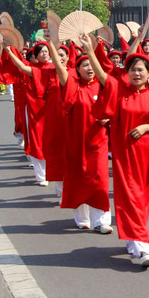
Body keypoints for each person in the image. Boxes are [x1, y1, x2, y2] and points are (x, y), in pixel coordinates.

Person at [88, 35, 149, 268]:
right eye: (132, 70)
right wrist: (90, 51)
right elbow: (104, 77)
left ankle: (135, 239)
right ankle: (145, 246)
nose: (136, 74)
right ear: (127, 73)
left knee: (145, 202)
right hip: (126, 158)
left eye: (141, 70)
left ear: (148, 72)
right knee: (131, 199)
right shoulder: (119, 92)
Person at [48, 36, 112, 233]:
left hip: (99, 141)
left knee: (100, 179)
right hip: (76, 141)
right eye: (84, 65)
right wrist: (52, 44)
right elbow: (59, 67)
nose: (89, 68)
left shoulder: (102, 85)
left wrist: (108, 119)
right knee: (78, 179)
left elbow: (113, 105)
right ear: (77, 69)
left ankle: (101, 220)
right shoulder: (72, 86)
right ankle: (82, 218)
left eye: (91, 65)